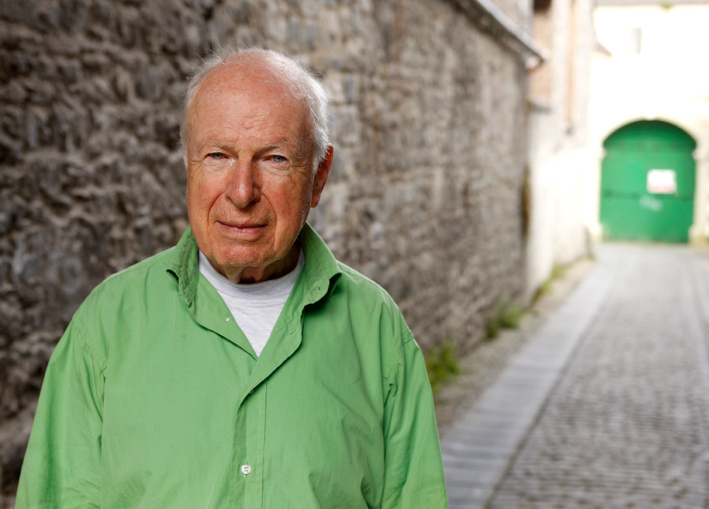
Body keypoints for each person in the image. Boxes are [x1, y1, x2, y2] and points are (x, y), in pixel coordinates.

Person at [16, 48, 447, 508]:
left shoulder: (376, 331)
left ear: (318, 177)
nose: (242, 192)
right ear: (189, 164)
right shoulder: (105, 326)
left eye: (275, 159)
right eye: (218, 155)